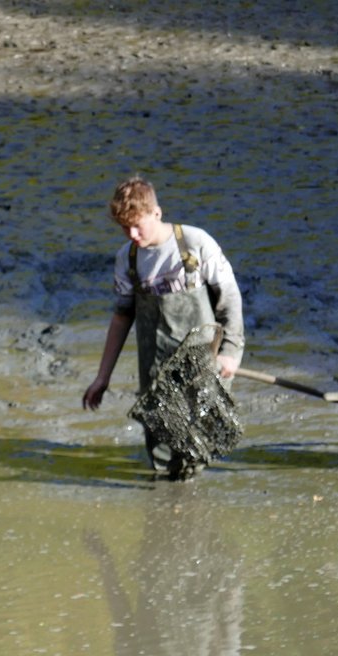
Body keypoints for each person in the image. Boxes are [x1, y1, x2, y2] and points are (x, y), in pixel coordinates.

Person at [82, 176, 245, 476]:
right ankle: (164, 504)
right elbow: (121, 318)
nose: (131, 234)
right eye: (123, 227)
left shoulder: (195, 243)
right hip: (155, 370)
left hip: (203, 363)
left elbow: (229, 301)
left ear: (156, 213)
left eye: (137, 225)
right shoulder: (127, 259)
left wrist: (231, 352)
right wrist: (102, 377)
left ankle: (191, 498)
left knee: (198, 444)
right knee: (160, 448)